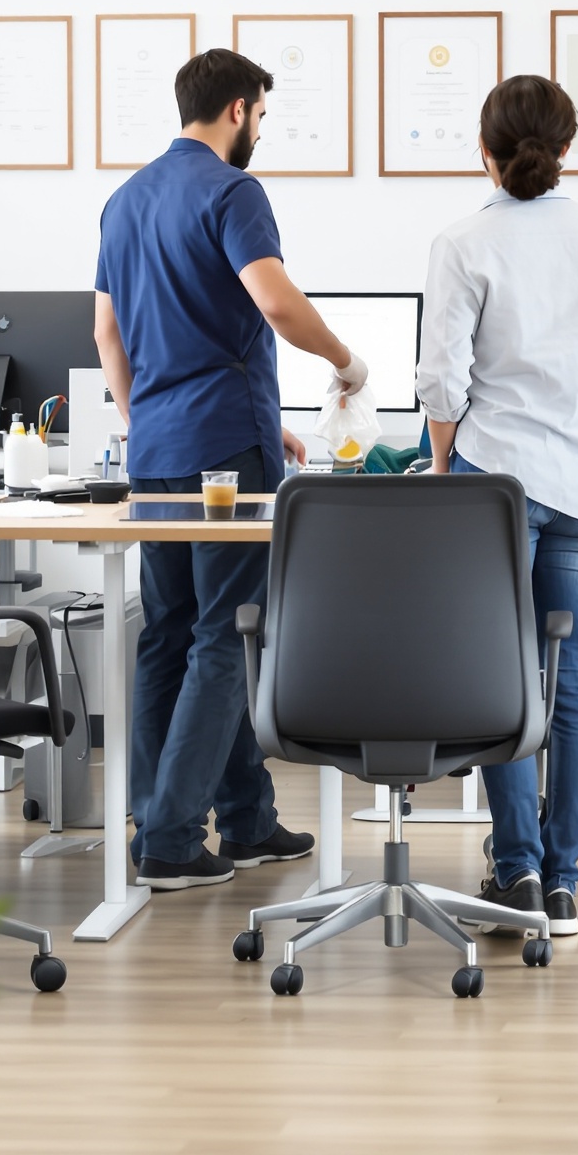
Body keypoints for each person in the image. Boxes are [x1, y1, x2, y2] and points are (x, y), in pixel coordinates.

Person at [94, 48, 366, 890]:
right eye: (262, 119)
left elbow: (109, 335)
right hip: (223, 453)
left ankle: (241, 821)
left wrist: (156, 427)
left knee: (169, 633)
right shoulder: (232, 190)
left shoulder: (125, 198)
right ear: (241, 110)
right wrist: (347, 364)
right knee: (228, 637)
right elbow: (277, 304)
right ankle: (172, 839)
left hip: (161, 451)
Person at [418, 76, 578, 940]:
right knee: (574, 686)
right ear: (567, 148)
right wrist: (577, 422)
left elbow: (442, 383)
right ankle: (563, 885)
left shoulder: (463, 242)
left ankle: (514, 871)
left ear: (484, 150)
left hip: (496, 490)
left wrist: (446, 463)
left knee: (504, 680)